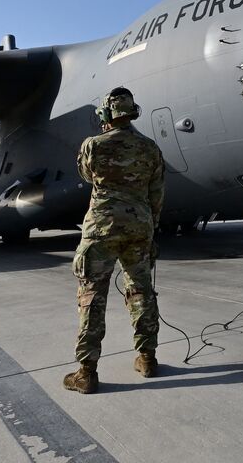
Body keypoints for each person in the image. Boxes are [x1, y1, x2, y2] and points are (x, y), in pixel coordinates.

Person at [64, 87, 165, 395]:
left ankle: (87, 372)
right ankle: (147, 358)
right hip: (139, 227)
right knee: (141, 292)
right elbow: (156, 194)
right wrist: (150, 228)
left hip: (101, 230)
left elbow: (86, 175)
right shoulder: (150, 149)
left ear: (106, 116)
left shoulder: (92, 146)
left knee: (92, 297)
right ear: (132, 114)